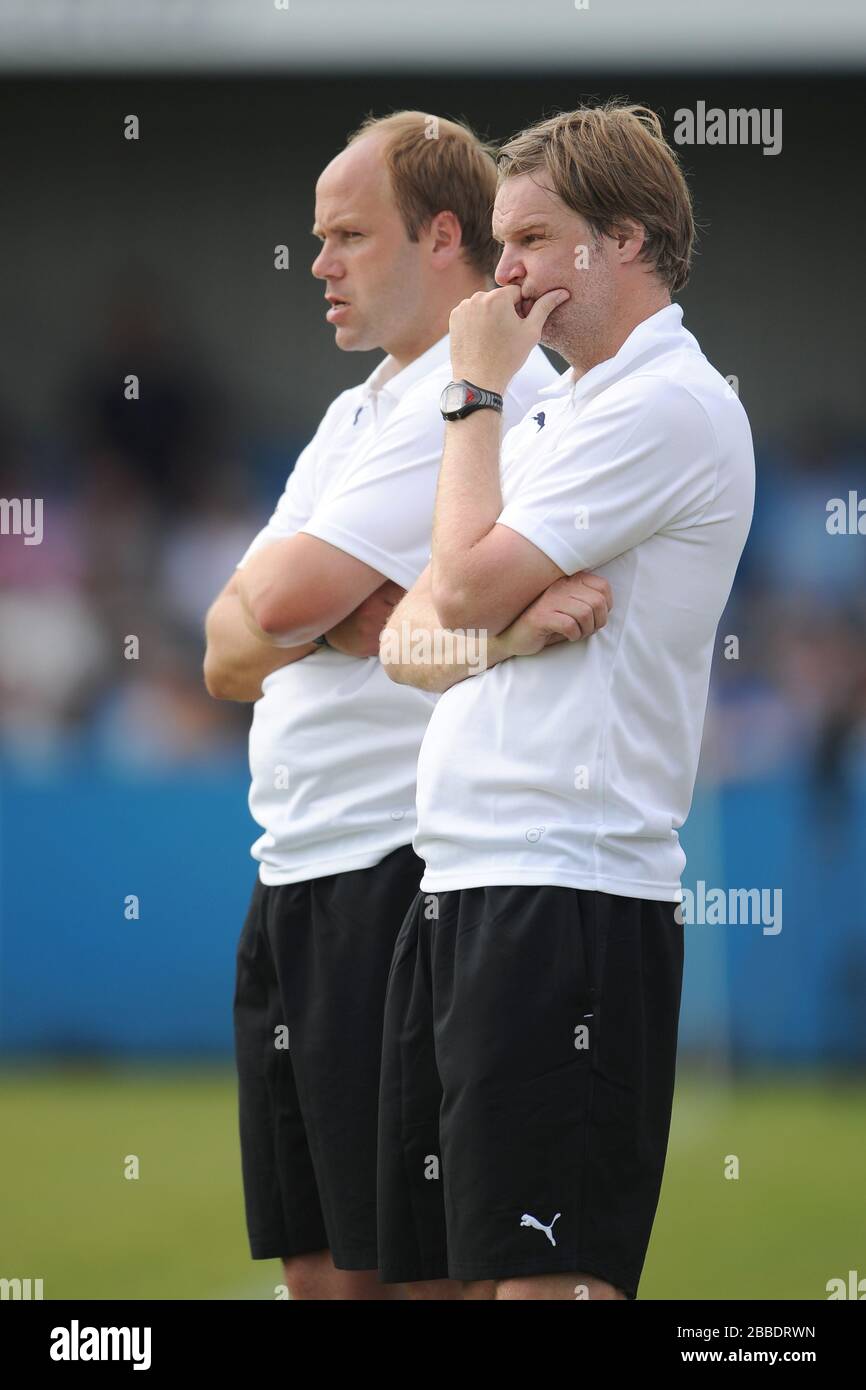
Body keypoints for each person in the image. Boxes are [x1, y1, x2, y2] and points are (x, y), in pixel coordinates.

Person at [378, 100, 755, 1300]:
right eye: (499, 244)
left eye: (533, 240)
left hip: (567, 895)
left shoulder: (664, 403)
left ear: (628, 240)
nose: (507, 276)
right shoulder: (574, 406)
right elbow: (405, 638)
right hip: (465, 886)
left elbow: (458, 579)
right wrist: (500, 633)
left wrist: (469, 394)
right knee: (443, 1279)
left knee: (547, 1289)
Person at [203, 110, 558, 1300]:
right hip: (290, 864)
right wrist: (310, 615)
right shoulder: (357, 408)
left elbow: (279, 592)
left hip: (390, 873)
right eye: (317, 238)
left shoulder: (463, 401)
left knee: (405, 1271)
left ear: (440, 234)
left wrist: (296, 609)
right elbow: (219, 649)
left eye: (347, 235)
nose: (318, 263)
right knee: (314, 1267)